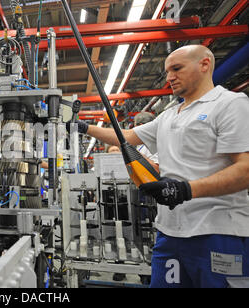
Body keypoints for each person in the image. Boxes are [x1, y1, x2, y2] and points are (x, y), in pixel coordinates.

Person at [70, 45, 249, 288]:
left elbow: (245, 169)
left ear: (204, 64)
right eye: (166, 72)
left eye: (177, 69)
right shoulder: (169, 115)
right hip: (169, 232)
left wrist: (186, 190)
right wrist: (82, 126)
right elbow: (128, 136)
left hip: (217, 231)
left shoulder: (229, 104)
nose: (169, 78)